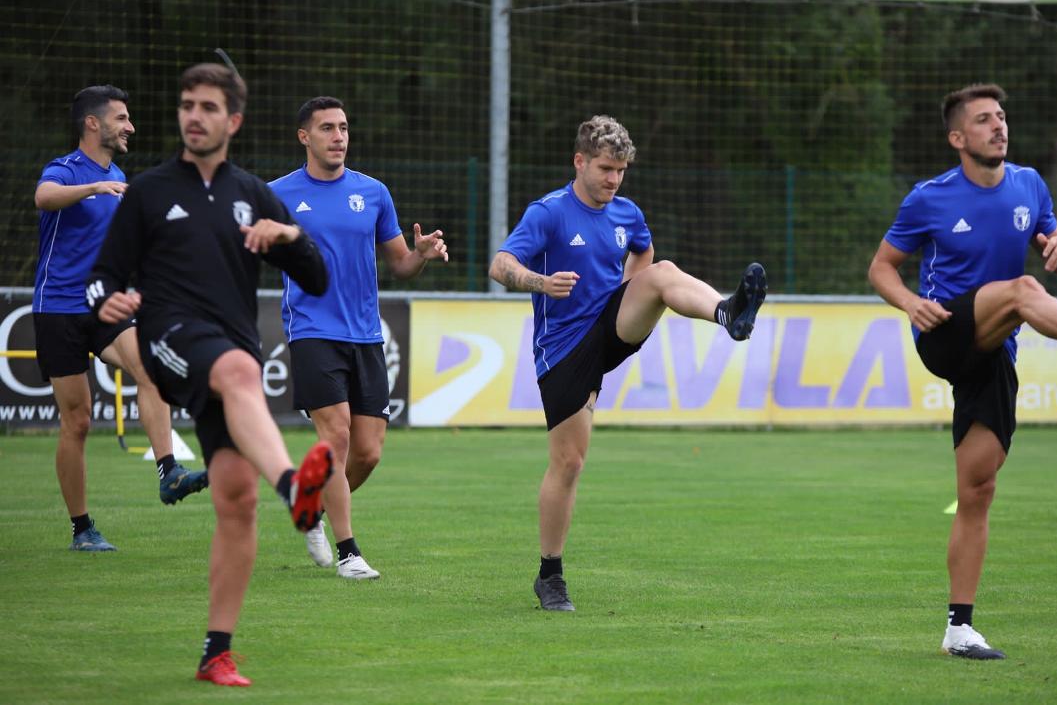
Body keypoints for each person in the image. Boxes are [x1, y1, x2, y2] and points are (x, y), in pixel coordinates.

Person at [867, 83, 1057, 660]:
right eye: (983, 120)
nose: (998, 126)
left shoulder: (1029, 184)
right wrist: (908, 302)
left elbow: (1052, 239)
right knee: (1026, 288)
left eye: (1001, 117)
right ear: (958, 138)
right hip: (945, 334)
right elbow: (881, 266)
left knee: (978, 488)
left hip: (995, 349)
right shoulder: (929, 197)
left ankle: (959, 629)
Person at [87, 63, 334, 687]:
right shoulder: (147, 190)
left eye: (208, 106)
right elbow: (103, 275)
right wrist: (104, 303)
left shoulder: (253, 192)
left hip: (233, 352)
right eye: (186, 104)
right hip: (169, 341)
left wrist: (292, 235)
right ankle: (293, 490)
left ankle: (215, 652)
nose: (193, 115)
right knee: (238, 371)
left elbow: (318, 279)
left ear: (234, 121)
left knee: (234, 499)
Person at [489, 115, 767, 612]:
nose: (613, 179)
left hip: (612, 327)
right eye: (604, 168)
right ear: (580, 162)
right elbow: (500, 265)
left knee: (660, 274)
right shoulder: (549, 212)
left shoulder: (627, 213)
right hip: (564, 348)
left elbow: (643, 251)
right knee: (569, 462)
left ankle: (728, 313)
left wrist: (629, 291)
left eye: (620, 170)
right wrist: (539, 282)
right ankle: (549, 574)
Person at [270, 96, 448, 580]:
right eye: (327, 128)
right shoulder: (278, 194)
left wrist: (421, 253)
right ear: (304, 137)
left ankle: (313, 507)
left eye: (344, 127)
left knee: (368, 452)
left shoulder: (372, 193)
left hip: (366, 336)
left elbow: (400, 265)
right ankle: (349, 552)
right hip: (311, 330)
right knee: (338, 434)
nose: (339, 136)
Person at [34, 85, 207, 552]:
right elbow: (44, 197)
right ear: (93, 123)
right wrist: (92, 187)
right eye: (122, 118)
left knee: (151, 368)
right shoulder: (67, 170)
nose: (130, 126)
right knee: (79, 422)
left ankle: (168, 471)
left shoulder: (121, 176)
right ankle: (81, 528)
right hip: (57, 309)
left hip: (102, 305)